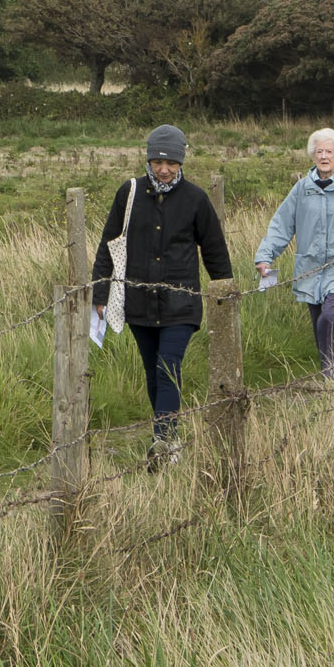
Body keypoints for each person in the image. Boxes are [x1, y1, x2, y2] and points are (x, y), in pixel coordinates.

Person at [92, 124, 232, 467]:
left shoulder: (196, 199)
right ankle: (166, 434)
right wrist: (101, 291)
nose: (164, 169)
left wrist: (223, 290)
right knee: (152, 372)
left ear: (182, 162)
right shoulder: (129, 193)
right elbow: (108, 245)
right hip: (137, 302)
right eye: (157, 161)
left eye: (171, 162)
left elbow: (214, 248)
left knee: (169, 366)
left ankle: (164, 440)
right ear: (148, 158)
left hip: (180, 304)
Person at [255, 128, 334, 377]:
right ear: (312, 155)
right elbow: (282, 225)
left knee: (330, 317)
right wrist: (264, 256)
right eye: (319, 151)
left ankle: (330, 371)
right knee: (318, 322)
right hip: (309, 267)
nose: (324, 156)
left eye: (330, 151)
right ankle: (329, 369)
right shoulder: (302, 189)